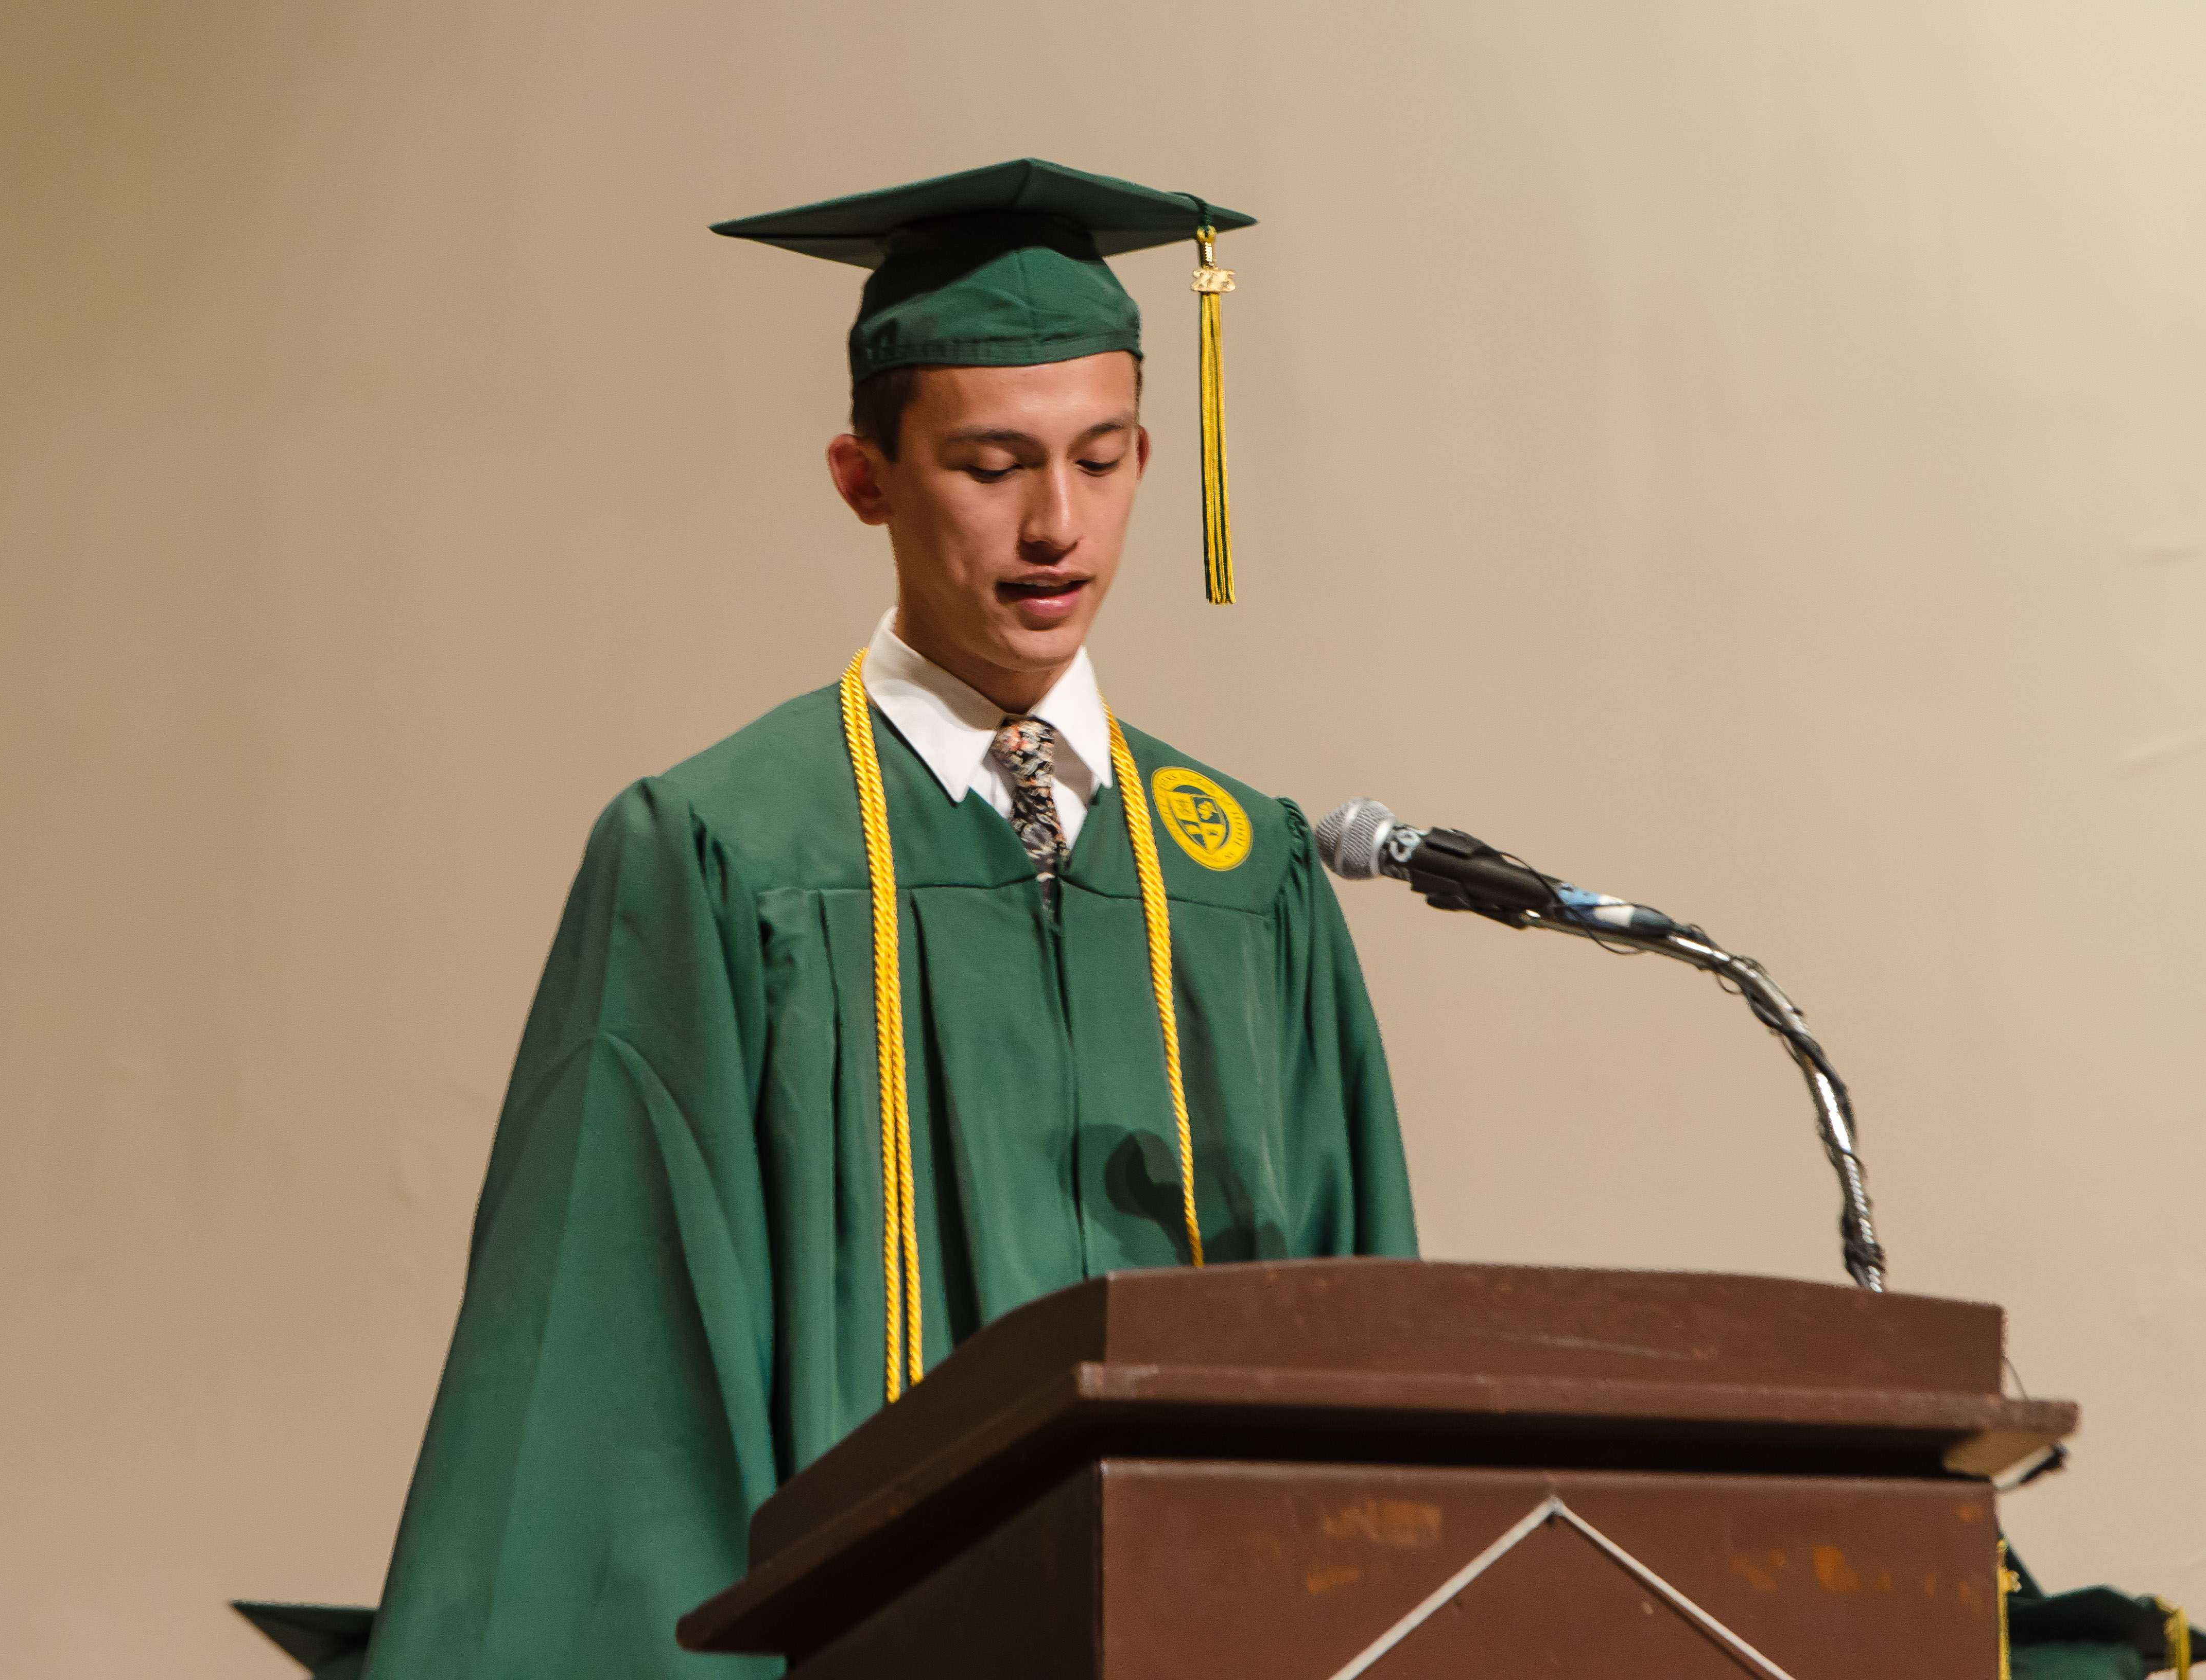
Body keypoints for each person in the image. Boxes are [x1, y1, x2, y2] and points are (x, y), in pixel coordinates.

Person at [356, 159, 1418, 1679]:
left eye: (1102, 459)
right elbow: (614, 1394)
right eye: (993, 467)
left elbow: (1366, 1374)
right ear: (865, 478)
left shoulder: (1244, 879)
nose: (1058, 525)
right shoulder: (722, 854)